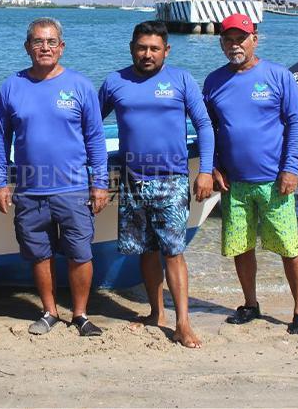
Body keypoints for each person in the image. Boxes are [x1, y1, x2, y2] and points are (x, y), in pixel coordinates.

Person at [99, 21, 215, 348]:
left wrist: (206, 170)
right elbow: (90, 125)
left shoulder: (181, 79)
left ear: (167, 50)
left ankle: (183, 323)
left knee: (173, 252)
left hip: (172, 180)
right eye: (141, 48)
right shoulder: (115, 81)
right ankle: (156, 313)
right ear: (131, 48)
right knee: (146, 251)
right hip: (133, 180)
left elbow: (204, 125)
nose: (147, 54)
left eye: (154, 48)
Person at [0, 17, 108, 337]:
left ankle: (80, 314)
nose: (45, 47)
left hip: (73, 188)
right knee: (39, 254)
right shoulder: (11, 87)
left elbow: (96, 139)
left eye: (51, 41)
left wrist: (100, 183)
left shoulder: (80, 86)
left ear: (62, 47)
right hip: (30, 190)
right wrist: (0, 182)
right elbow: (0, 140)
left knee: (80, 253)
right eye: (38, 42)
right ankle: (50, 312)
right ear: (27, 47)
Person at [202, 13, 298, 335]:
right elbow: (208, 128)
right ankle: (250, 304)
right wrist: (213, 166)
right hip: (234, 184)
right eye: (228, 40)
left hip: (275, 182)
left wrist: (291, 168)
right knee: (242, 246)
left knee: (289, 246)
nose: (234, 45)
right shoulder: (213, 81)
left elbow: (297, 123)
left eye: (241, 39)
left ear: (255, 39)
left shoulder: (279, 76)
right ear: (221, 43)